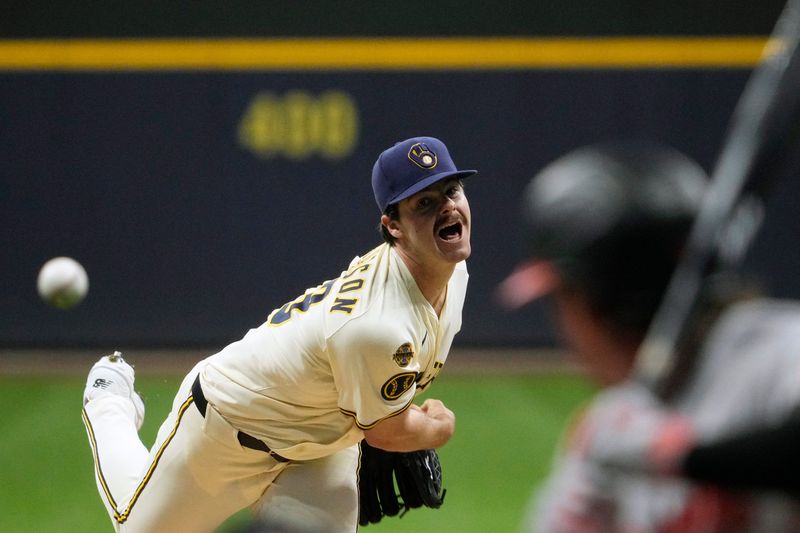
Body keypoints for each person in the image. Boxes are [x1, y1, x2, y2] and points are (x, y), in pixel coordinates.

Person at [81, 136, 477, 532]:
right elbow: (388, 432)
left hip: (319, 448)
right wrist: (436, 427)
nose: (446, 205)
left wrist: (386, 416)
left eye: (451, 190)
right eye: (423, 203)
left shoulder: (451, 274)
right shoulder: (375, 324)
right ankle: (107, 400)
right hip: (227, 427)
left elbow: (384, 415)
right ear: (394, 227)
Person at [498, 141, 800, 531]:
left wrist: (680, 457)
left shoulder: (780, 352)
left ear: (600, 297)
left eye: (563, 299)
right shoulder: (613, 429)